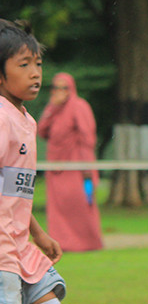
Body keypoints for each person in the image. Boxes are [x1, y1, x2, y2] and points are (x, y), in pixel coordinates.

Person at [0, 19, 67, 304]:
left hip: (18, 243)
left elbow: (13, 190)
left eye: (37, 63)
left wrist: (37, 233)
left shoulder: (25, 119)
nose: (35, 73)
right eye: (23, 65)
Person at [37, 72, 103, 252]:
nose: (60, 91)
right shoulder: (53, 110)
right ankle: (61, 243)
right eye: (56, 88)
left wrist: (87, 168)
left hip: (77, 167)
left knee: (81, 204)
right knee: (58, 209)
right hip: (55, 169)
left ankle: (88, 244)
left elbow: (87, 138)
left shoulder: (80, 106)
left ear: (71, 89)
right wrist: (51, 108)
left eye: (64, 88)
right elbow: (41, 131)